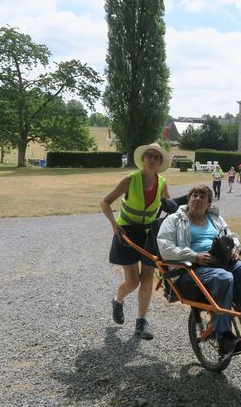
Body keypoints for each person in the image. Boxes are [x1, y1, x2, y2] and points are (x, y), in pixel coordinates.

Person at [156, 185, 241, 357]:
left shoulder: (215, 219)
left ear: (209, 203)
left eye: (203, 196)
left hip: (221, 262)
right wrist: (194, 256)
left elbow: (232, 237)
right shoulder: (174, 219)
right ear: (189, 199)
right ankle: (224, 337)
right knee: (224, 277)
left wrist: (235, 248)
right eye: (194, 195)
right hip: (191, 270)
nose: (198, 199)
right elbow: (164, 246)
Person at [100, 142, 171, 340]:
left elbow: (169, 206)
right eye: (149, 156)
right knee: (132, 282)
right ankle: (118, 300)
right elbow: (105, 201)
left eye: (156, 157)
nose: (152, 160)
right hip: (127, 232)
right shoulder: (131, 179)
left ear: (160, 163)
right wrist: (114, 225)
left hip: (148, 234)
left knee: (148, 277)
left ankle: (141, 322)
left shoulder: (162, 183)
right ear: (142, 159)